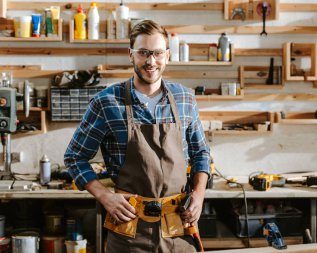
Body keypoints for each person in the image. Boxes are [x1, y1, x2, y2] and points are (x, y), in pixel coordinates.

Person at [64, 19, 210, 252]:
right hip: (129, 228)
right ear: (130, 54)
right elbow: (74, 157)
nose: (151, 61)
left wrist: (199, 195)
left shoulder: (185, 99)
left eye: (157, 53)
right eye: (143, 53)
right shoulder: (106, 102)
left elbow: (201, 153)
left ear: (167, 55)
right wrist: (104, 196)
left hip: (178, 225)